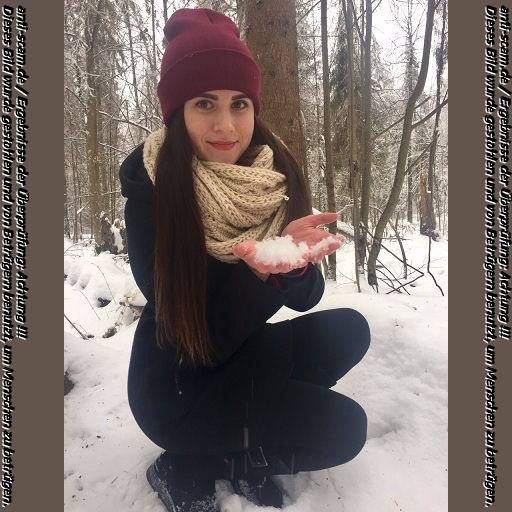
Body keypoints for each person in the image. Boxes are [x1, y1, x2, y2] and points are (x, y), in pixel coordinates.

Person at [119, 7, 371, 512]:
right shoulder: (154, 195)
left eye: (239, 103)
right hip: (178, 390)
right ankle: (192, 463)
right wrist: (257, 276)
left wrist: (293, 262)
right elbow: (198, 338)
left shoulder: (269, 177)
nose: (226, 125)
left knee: (350, 329)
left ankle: (241, 441)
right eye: (204, 103)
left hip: (243, 357)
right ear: (177, 111)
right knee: (346, 429)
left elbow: (307, 298)